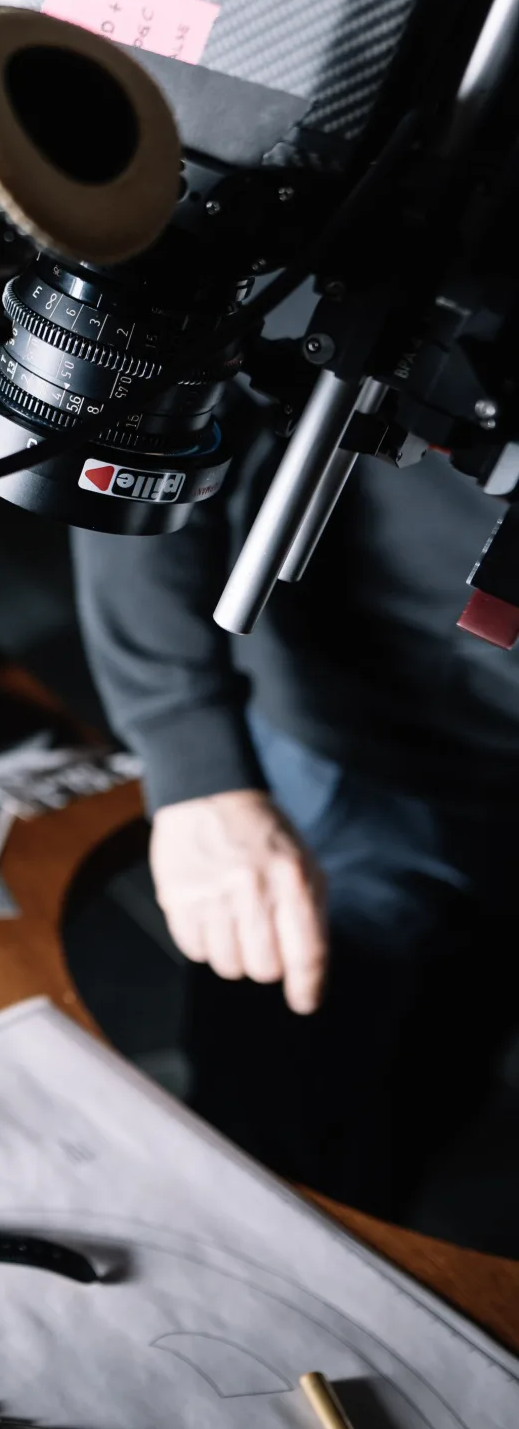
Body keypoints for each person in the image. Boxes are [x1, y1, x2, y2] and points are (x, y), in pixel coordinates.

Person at [71, 383, 519, 1218]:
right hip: (342, 750)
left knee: (435, 1086)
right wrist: (195, 765)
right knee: (274, 1152)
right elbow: (151, 396)